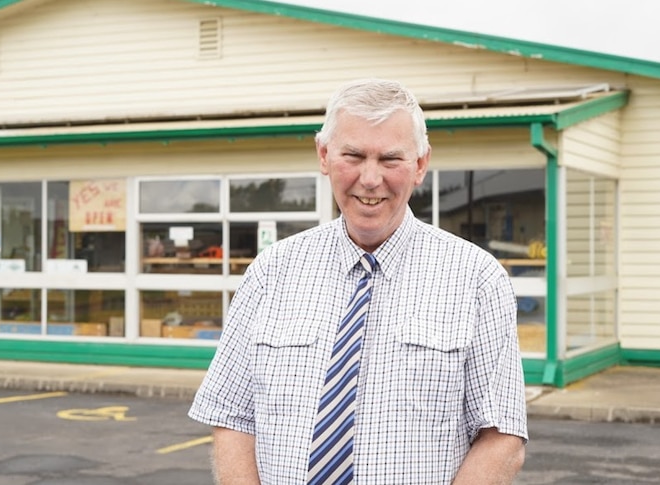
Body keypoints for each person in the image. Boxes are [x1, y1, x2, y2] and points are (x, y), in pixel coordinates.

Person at [189, 78, 528, 484]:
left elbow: (501, 436)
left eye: (390, 159)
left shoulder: (477, 279)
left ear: (420, 164)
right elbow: (231, 416)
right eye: (353, 155)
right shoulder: (271, 272)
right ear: (324, 155)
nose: (370, 179)